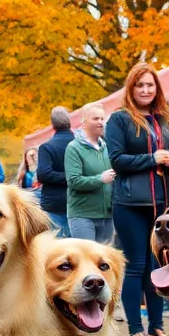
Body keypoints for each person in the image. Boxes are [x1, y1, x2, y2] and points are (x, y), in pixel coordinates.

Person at [105, 63, 169, 336]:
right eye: (140, 85)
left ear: (157, 89)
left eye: (150, 85)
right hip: (130, 203)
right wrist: (153, 158)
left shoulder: (164, 118)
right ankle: (136, 331)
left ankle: (157, 326)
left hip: (163, 204)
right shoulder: (120, 119)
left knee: (159, 266)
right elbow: (117, 160)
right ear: (131, 88)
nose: (146, 90)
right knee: (137, 266)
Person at [64, 103, 115, 243]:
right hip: (83, 215)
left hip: (107, 216)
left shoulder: (106, 147)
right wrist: (100, 179)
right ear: (84, 122)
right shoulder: (74, 148)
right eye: (95, 119)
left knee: (104, 260)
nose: (100, 122)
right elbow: (73, 181)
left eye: (102, 119)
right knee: (86, 259)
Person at [38, 107, 76, 236]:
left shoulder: (47, 147)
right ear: (69, 121)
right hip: (79, 199)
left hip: (54, 203)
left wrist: (68, 177)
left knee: (58, 244)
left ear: (52, 124)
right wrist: (73, 177)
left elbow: (43, 174)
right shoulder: (80, 144)